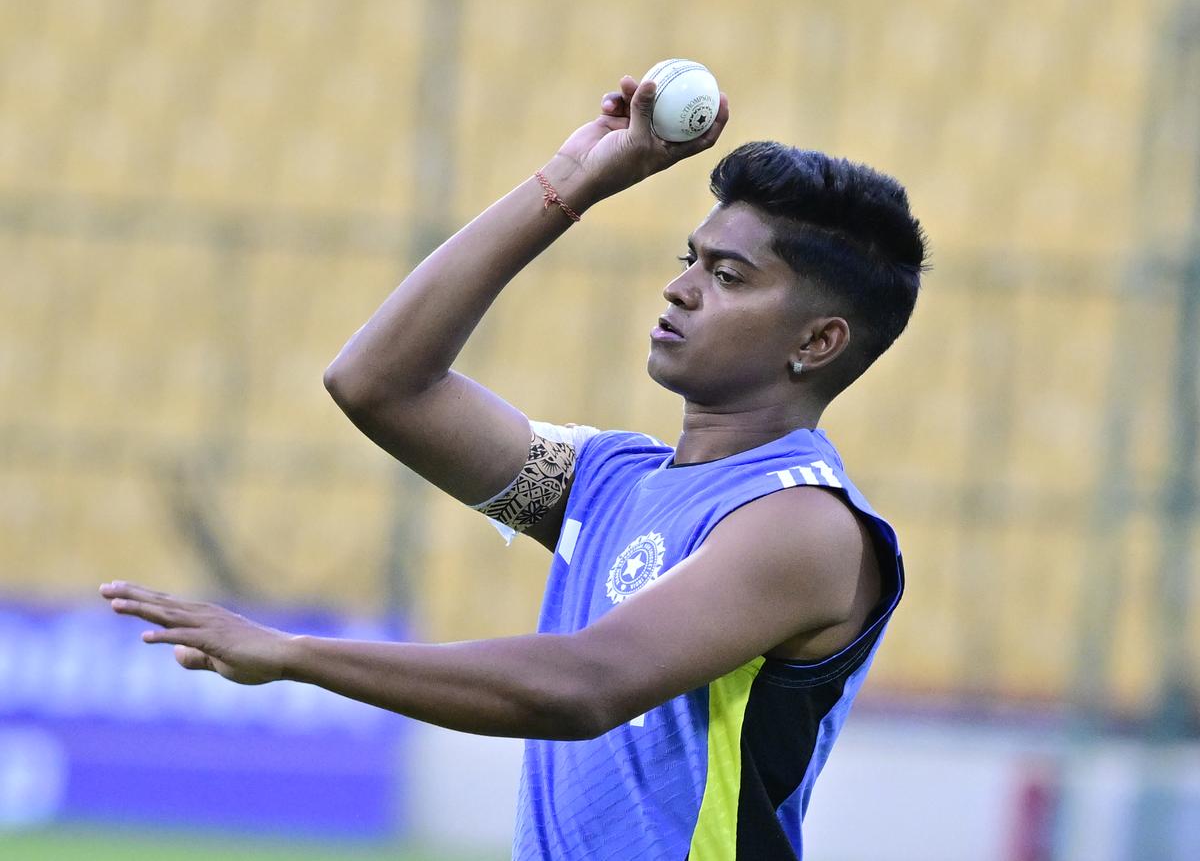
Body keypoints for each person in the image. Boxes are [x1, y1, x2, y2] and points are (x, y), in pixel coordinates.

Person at [102, 73, 927, 860]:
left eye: (726, 275)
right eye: (690, 259)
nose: (678, 290)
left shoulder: (804, 524)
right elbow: (381, 385)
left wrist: (294, 654)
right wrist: (570, 183)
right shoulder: (605, 484)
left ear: (817, 343)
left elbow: (582, 686)